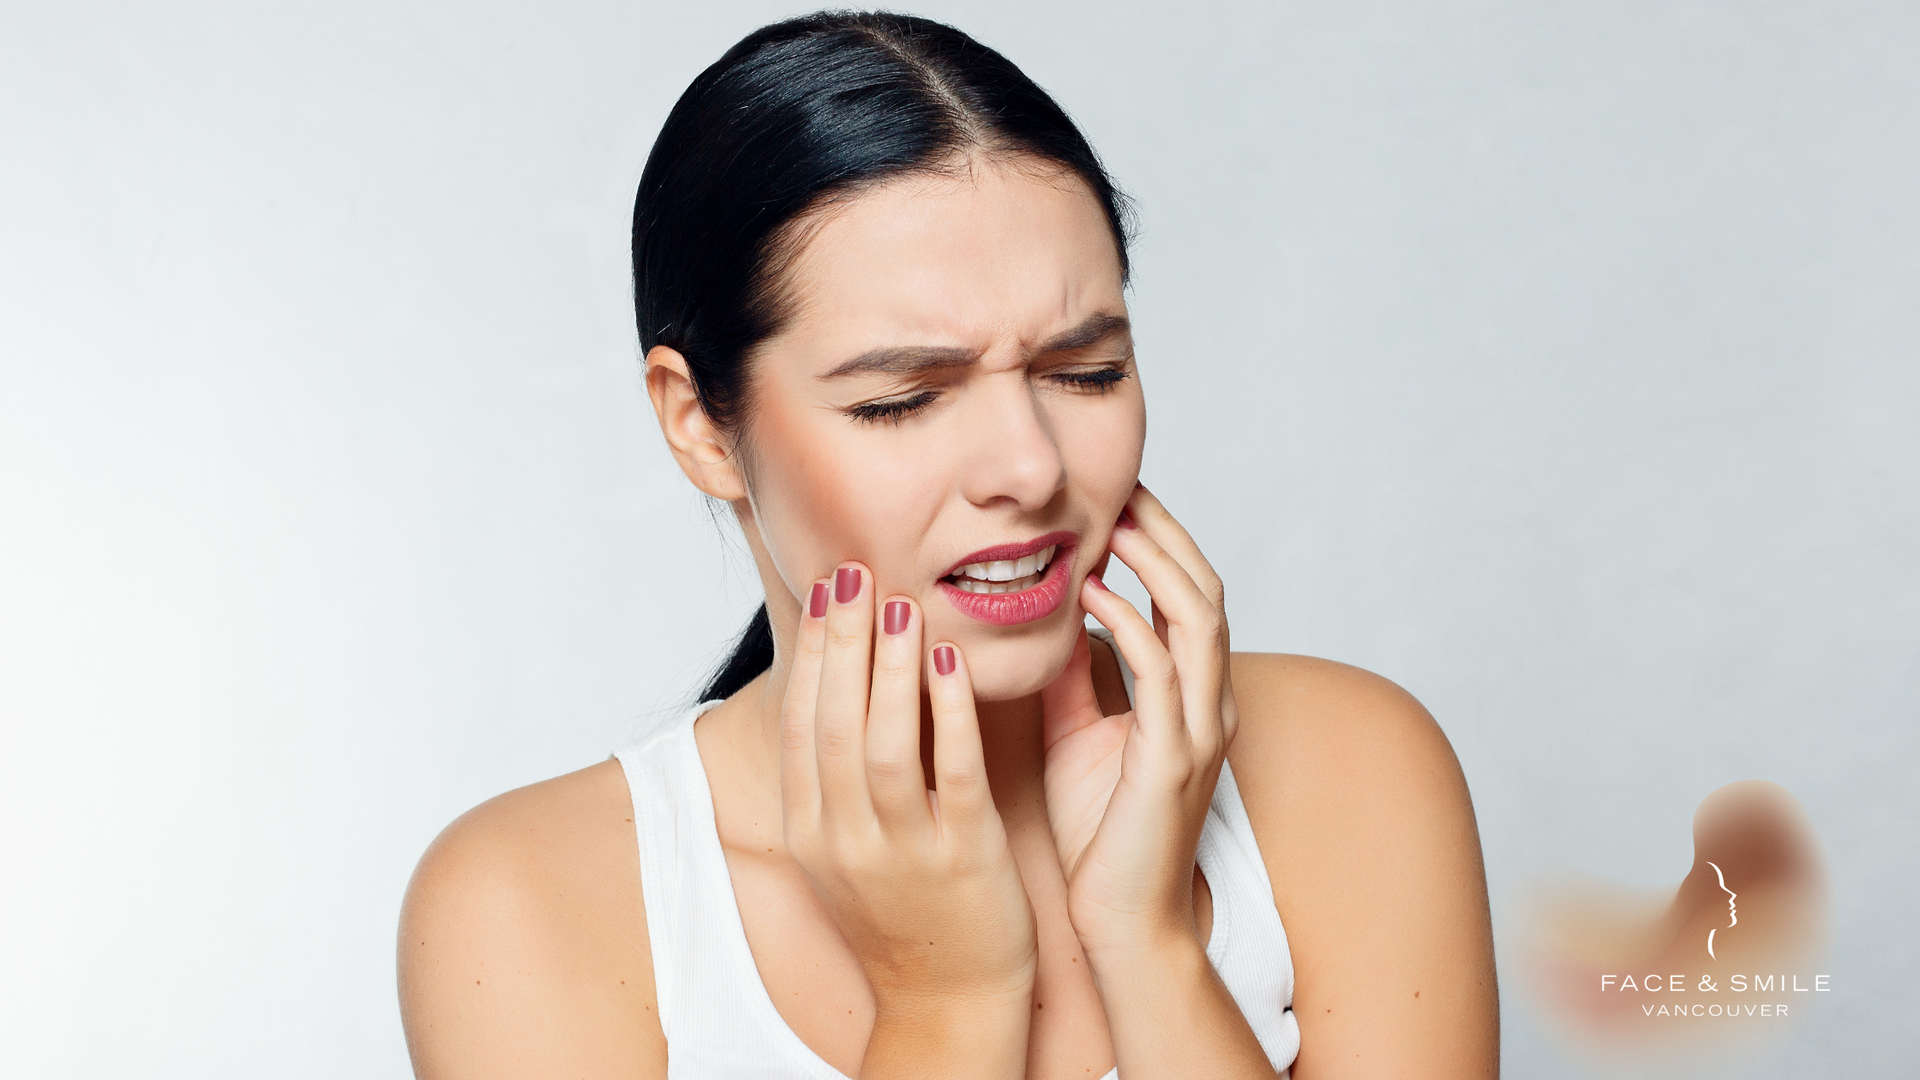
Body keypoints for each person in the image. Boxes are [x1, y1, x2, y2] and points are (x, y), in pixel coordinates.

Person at [397, 11, 1498, 1079]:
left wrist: (1148, 946)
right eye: (902, 399)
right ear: (700, 426)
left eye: (1086, 372)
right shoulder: (529, 906)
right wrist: (949, 1004)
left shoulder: (1345, 768)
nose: (1029, 467)